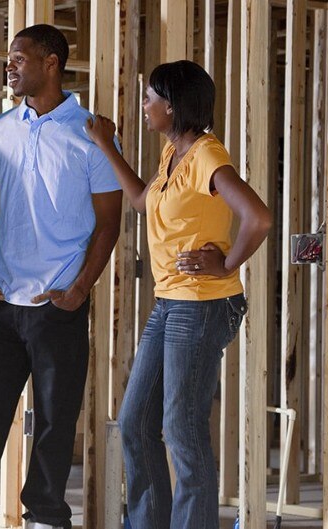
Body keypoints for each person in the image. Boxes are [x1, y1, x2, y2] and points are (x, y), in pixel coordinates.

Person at [0, 24, 123, 529]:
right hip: (2, 303)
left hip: (58, 305)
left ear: (51, 63)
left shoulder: (91, 134)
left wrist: (80, 289)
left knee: (55, 423)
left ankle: (44, 516)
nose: (10, 66)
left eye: (20, 58)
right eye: (10, 59)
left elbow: (110, 221)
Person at [85, 60, 272, 529]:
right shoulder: (174, 156)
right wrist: (107, 147)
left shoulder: (207, 154)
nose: (144, 106)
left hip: (205, 305)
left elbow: (259, 218)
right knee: (135, 422)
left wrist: (227, 263)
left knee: (183, 431)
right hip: (170, 303)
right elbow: (141, 201)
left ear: (172, 105)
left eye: (150, 98)